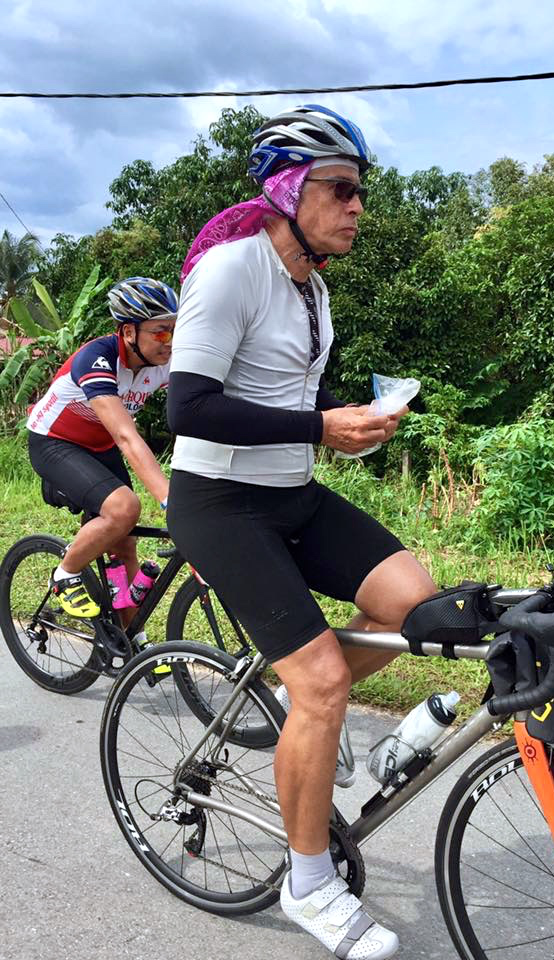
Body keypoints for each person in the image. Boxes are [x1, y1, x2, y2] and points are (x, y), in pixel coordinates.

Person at [166, 105, 436, 960]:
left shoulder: (313, 287)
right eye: (341, 189)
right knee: (324, 684)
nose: (358, 207)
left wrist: (345, 418)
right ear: (288, 189)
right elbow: (189, 407)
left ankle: (295, 702)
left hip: (291, 493)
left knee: (415, 603)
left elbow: (287, 396)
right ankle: (309, 882)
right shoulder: (231, 271)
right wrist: (321, 427)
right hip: (219, 502)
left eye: (362, 193)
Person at [26, 277, 177, 621]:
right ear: (129, 332)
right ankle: (65, 574)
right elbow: (126, 436)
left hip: (99, 446)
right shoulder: (97, 359)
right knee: (124, 509)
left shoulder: (165, 362)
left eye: (175, 330)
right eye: (160, 332)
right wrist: (169, 499)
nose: (170, 341)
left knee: (124, 545)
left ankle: (131, 638)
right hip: (55, 442)